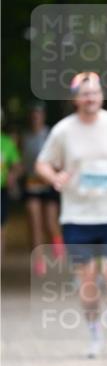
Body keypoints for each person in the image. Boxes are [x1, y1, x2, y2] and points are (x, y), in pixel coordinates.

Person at [35, 72, 107, 358]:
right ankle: (94, 332)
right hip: (77, 217)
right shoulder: (63, 131)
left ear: (102, 95)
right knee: (87, 280)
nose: (90, 98)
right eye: (85, 94)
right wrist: (55, 177)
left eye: (95, 93)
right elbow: (42, 164)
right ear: (75, 99)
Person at [21, 103, 64, 275]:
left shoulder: (50, 135)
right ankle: (39, 260)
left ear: (43, 116)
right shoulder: (23, 137)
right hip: (31, 184)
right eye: (33, 114)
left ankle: (57, 242)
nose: (35, 117)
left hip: (49, 184)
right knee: (35, 223)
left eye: (38, 114)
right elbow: (20, 161)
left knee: (50, 222)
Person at [1, 110, 21, 257]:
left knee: (0, 229)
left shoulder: (7, 142)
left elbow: (17, 166)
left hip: (1, 191)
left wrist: (12, 175)